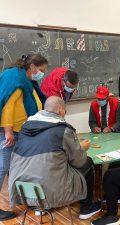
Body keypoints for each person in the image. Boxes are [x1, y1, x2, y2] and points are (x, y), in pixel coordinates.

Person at [8, 96, 100, 219]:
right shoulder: (62, 130)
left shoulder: (26, 126)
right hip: (50, 189)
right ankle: (86, 208)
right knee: (87, 162)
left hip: (23, 189)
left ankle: (40, 207)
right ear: (61, 110)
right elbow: (78, 161)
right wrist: (81, 148)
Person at [0, 54, 48, 221]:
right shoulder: (15, 77)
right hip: (9, 132)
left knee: (17, 167)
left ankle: (21, 198)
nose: (42, 74)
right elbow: (7, 105)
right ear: (32, 66)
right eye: (41, 70)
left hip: (21, 131)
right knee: (2, 168)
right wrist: (8, 131)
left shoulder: (26, 79)